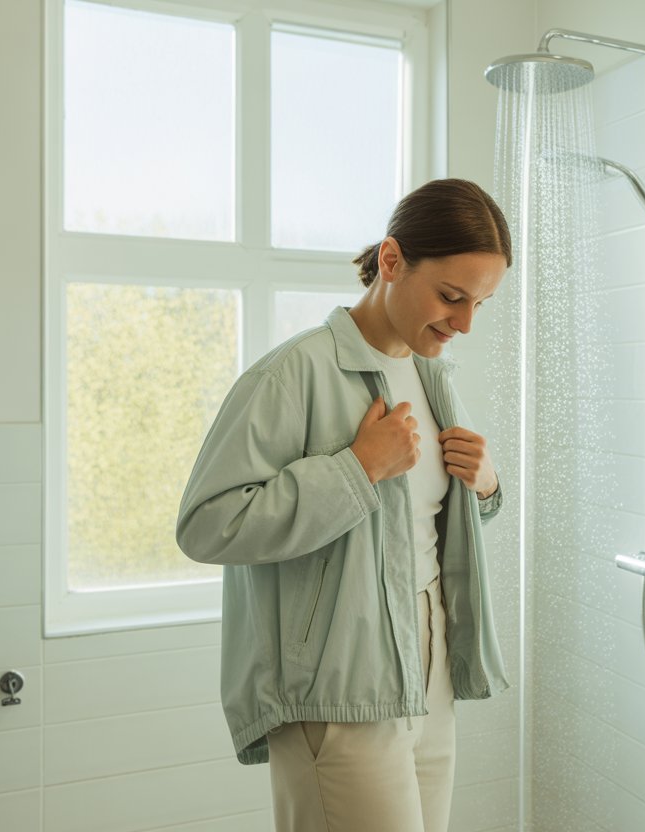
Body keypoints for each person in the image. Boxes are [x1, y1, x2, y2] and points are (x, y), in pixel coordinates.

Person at [176, 178, 512, 832]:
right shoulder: (291, 375)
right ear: (391, 262)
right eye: (451, 297)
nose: (465, 323)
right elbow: (206, 525)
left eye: (481, 304)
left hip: (430, 667)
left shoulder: (433, 377)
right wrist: (357, 469)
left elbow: (423, 526)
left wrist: (489, 486)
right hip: (337, 684)